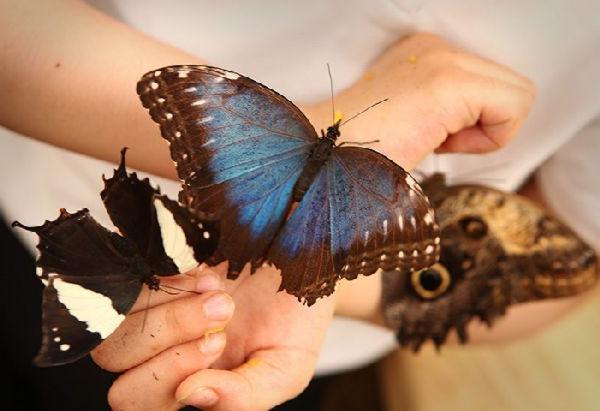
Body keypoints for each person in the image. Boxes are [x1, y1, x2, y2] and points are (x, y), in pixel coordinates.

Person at [1, 0, 598, 410]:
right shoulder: (383, 188)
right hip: (30, 198)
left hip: (280, 345)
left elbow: (574, 262)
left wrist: (319, 276)